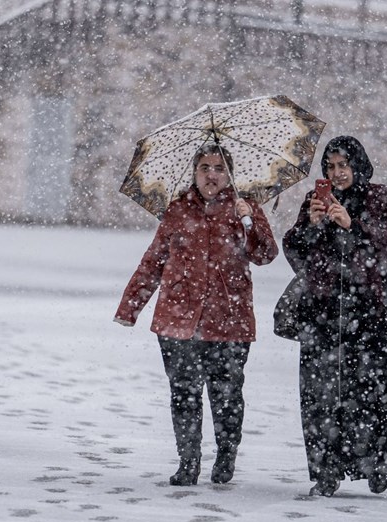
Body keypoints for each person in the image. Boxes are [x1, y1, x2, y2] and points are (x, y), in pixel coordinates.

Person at [115, 145, 279, 486]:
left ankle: (226, 454)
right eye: (205, 167)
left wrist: (249, 222)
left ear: (229, 175)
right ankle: (188, 461)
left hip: (229, 320)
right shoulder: (177, 210)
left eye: (219, 168)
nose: (211, 175)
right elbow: (154, 260)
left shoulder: (244, 207)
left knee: (227, 396)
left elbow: (265, 255)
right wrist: (130, 307)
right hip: (177, 318)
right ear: (195, 172)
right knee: (184, 394)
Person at [282, 136, 387, 496]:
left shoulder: (384, 199)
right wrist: (310, 227)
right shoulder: (316, 201)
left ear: (358, 165)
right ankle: (326, 472)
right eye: (330, 166)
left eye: (343, 165)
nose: (337, 173)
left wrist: (355, 224)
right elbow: (296, 255)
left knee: (375, 394)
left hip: (371, 316)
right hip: (323, 314)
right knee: (320, 397)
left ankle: (377, 465)